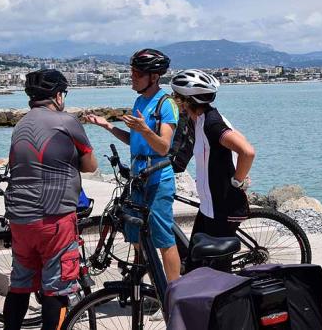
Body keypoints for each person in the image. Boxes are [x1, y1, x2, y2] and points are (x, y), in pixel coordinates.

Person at [3, 69, 98, 330]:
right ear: (57, 96)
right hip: (54, 216)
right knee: (56, 289)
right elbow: (90, 165)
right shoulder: (67, 121)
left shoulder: (20, 125)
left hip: (20, 218)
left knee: (20, 285)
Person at [85, 48, 181, 281]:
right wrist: (108, 127)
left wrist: (145, 129)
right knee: (137, 236)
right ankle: (144, 286)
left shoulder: (166, 104)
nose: (132, 77)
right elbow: (135, 141)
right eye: (132, 72)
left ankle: (175, 295)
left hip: (158, 178)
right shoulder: (140, 100)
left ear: (154, 77)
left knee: (163, 238)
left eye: (137, 73)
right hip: (138, 176)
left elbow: (163, 147)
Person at [170, 69, 255, 271]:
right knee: (194, 263)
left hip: (224, 207)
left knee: (216, 272)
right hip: (209, 207)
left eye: (176, 96)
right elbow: (238, 137)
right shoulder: (199, 120)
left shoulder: (211, 123)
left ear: (186, 101)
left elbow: (248, 151)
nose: (173, 100)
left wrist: (238, 181)